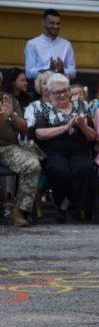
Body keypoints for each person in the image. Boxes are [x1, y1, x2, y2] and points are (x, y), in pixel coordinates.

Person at [31, 73, 95, 223]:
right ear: (49, 92)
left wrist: (83, 126)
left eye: (65, 90)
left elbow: (92, 136)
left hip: (78, 149)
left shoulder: (81, 105)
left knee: (85, 169)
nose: (63, 95)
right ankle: (66, 205)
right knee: (58, 169)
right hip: (53, 150)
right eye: (58, 92)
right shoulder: (43, 108)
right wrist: (65, 127)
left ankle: (65, 205)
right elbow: (39, 133)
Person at [0, 91, 41, 227]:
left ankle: (19, 210)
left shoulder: (7, 98)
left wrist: (12, 115)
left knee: (32, 165)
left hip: (8, 147)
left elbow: (24, 129)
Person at [24, 9, 76, 80]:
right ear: (43, 23)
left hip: (62, 87)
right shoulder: (32, 44)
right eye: (52, 23)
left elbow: (73, 72)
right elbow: (29, 73)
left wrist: (63, 70)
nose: (55, 27)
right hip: (40, 88)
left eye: (58, 23)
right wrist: (47, 70)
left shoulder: (66, 44)